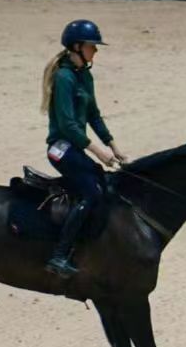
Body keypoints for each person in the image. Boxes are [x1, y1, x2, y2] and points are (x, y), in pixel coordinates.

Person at [41, 20, 125, 278]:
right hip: (61, 148)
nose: (95, 50)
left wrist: (113, 145)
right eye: (92, 46)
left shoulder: (84, 76)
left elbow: (94, 115)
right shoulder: (64, 78)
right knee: (91, 192)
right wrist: (98, 152)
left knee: (101, 183)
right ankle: (59, 255)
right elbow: (67, 125)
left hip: (77, 147)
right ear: (77, 47)